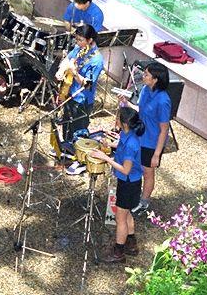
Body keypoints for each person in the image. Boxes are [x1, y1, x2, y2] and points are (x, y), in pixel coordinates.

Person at [89, 106, 144, 263]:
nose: (116, 119)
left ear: (124, 123)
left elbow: (125, 170)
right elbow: (121, 145)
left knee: (120, 219)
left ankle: (118, 252)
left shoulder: (131, 144)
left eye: (118, 117)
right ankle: (131, 244)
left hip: (128, 184)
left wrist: (105, 158)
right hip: (130, 182)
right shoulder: (127, 133)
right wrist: (110, 144)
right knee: (126, 214)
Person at [60, 24, 105, 175]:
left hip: (82, 99)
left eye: (80, 40)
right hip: (70, 93)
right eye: (77, 39)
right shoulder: (80, 49)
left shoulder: (97, 60)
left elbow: (87, 84)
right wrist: (62, 70)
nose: (77, 43)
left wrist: (74, 72)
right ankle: (67, 150)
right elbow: (69, 58)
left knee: (79, 130)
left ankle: (81, 161)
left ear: (90, 40)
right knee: (67, 123)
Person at [131, 61, 171, 215]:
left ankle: (144, 202)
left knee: (148, 173)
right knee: (135, 167)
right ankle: (134, 195)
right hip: (139, 136)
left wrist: (156, 154)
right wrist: (126, 103)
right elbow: (141, 110)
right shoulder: (145, 90)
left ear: (155, 79)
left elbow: (164, 129)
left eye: (146, 74)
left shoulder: (163, 101)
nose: (143, 75)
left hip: (151, 143)